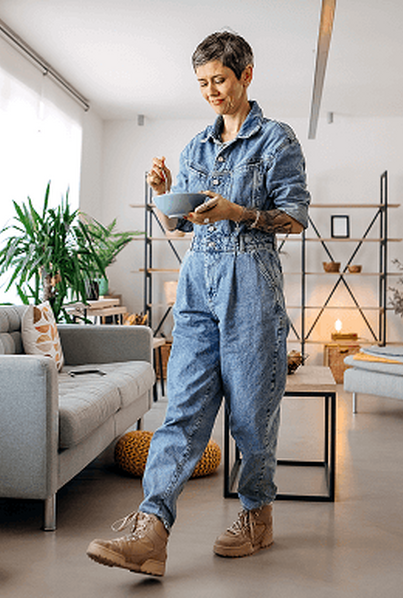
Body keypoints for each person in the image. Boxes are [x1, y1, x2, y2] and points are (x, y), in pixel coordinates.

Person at [86, 30, 310, 577]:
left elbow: (294, 218)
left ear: (246, 75)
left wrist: (239, 212)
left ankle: (257, 515)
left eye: (220, 80)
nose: (211, 91)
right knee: (181, 409)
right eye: (203, 82)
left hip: (251, 281)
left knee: (251, 415)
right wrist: (161, 191)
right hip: (197, 283)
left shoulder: (276, 140)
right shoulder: (194, 148)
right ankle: (151, 530)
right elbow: (181, 225)